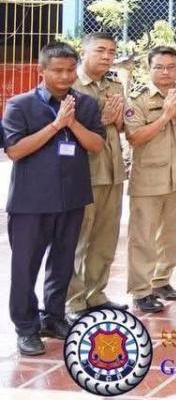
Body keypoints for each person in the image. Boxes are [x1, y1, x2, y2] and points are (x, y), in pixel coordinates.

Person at [4, 42, 105, 356]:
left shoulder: (85, 104)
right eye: (57, 70)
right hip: (30, 203)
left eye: (70, 70)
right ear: (42, 71)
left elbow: (96, 145)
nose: (65, 77)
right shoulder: (20, 105)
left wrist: (72, 123)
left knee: (62, 263)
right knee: (25, 268)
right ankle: (26, 327)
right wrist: (56, 125)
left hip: (71, 198)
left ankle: (53, 317)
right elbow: (15, 150)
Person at [124, 46, 176, 313]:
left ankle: (162, 281)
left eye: (171, 67)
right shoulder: (138, 98)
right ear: (149, 68)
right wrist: (165, 117)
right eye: (159, 67)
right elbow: (134, 138)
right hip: (148, 178)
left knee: (171, 234)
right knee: (142, 237)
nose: (166, 72)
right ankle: (141, 291)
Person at [67, 32, 127, 318]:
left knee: (106, 238)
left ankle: (96, 294)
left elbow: (123, 125)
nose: (107, 56)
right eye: (100, 50)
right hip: (84, 173)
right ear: (84, 52)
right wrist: (102, 121)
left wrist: (117, 120)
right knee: (78, 239)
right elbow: (64, 129)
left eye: (112, 52)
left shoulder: (115, 85)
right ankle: (73, 301)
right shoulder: (70, 86)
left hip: (112, 171)